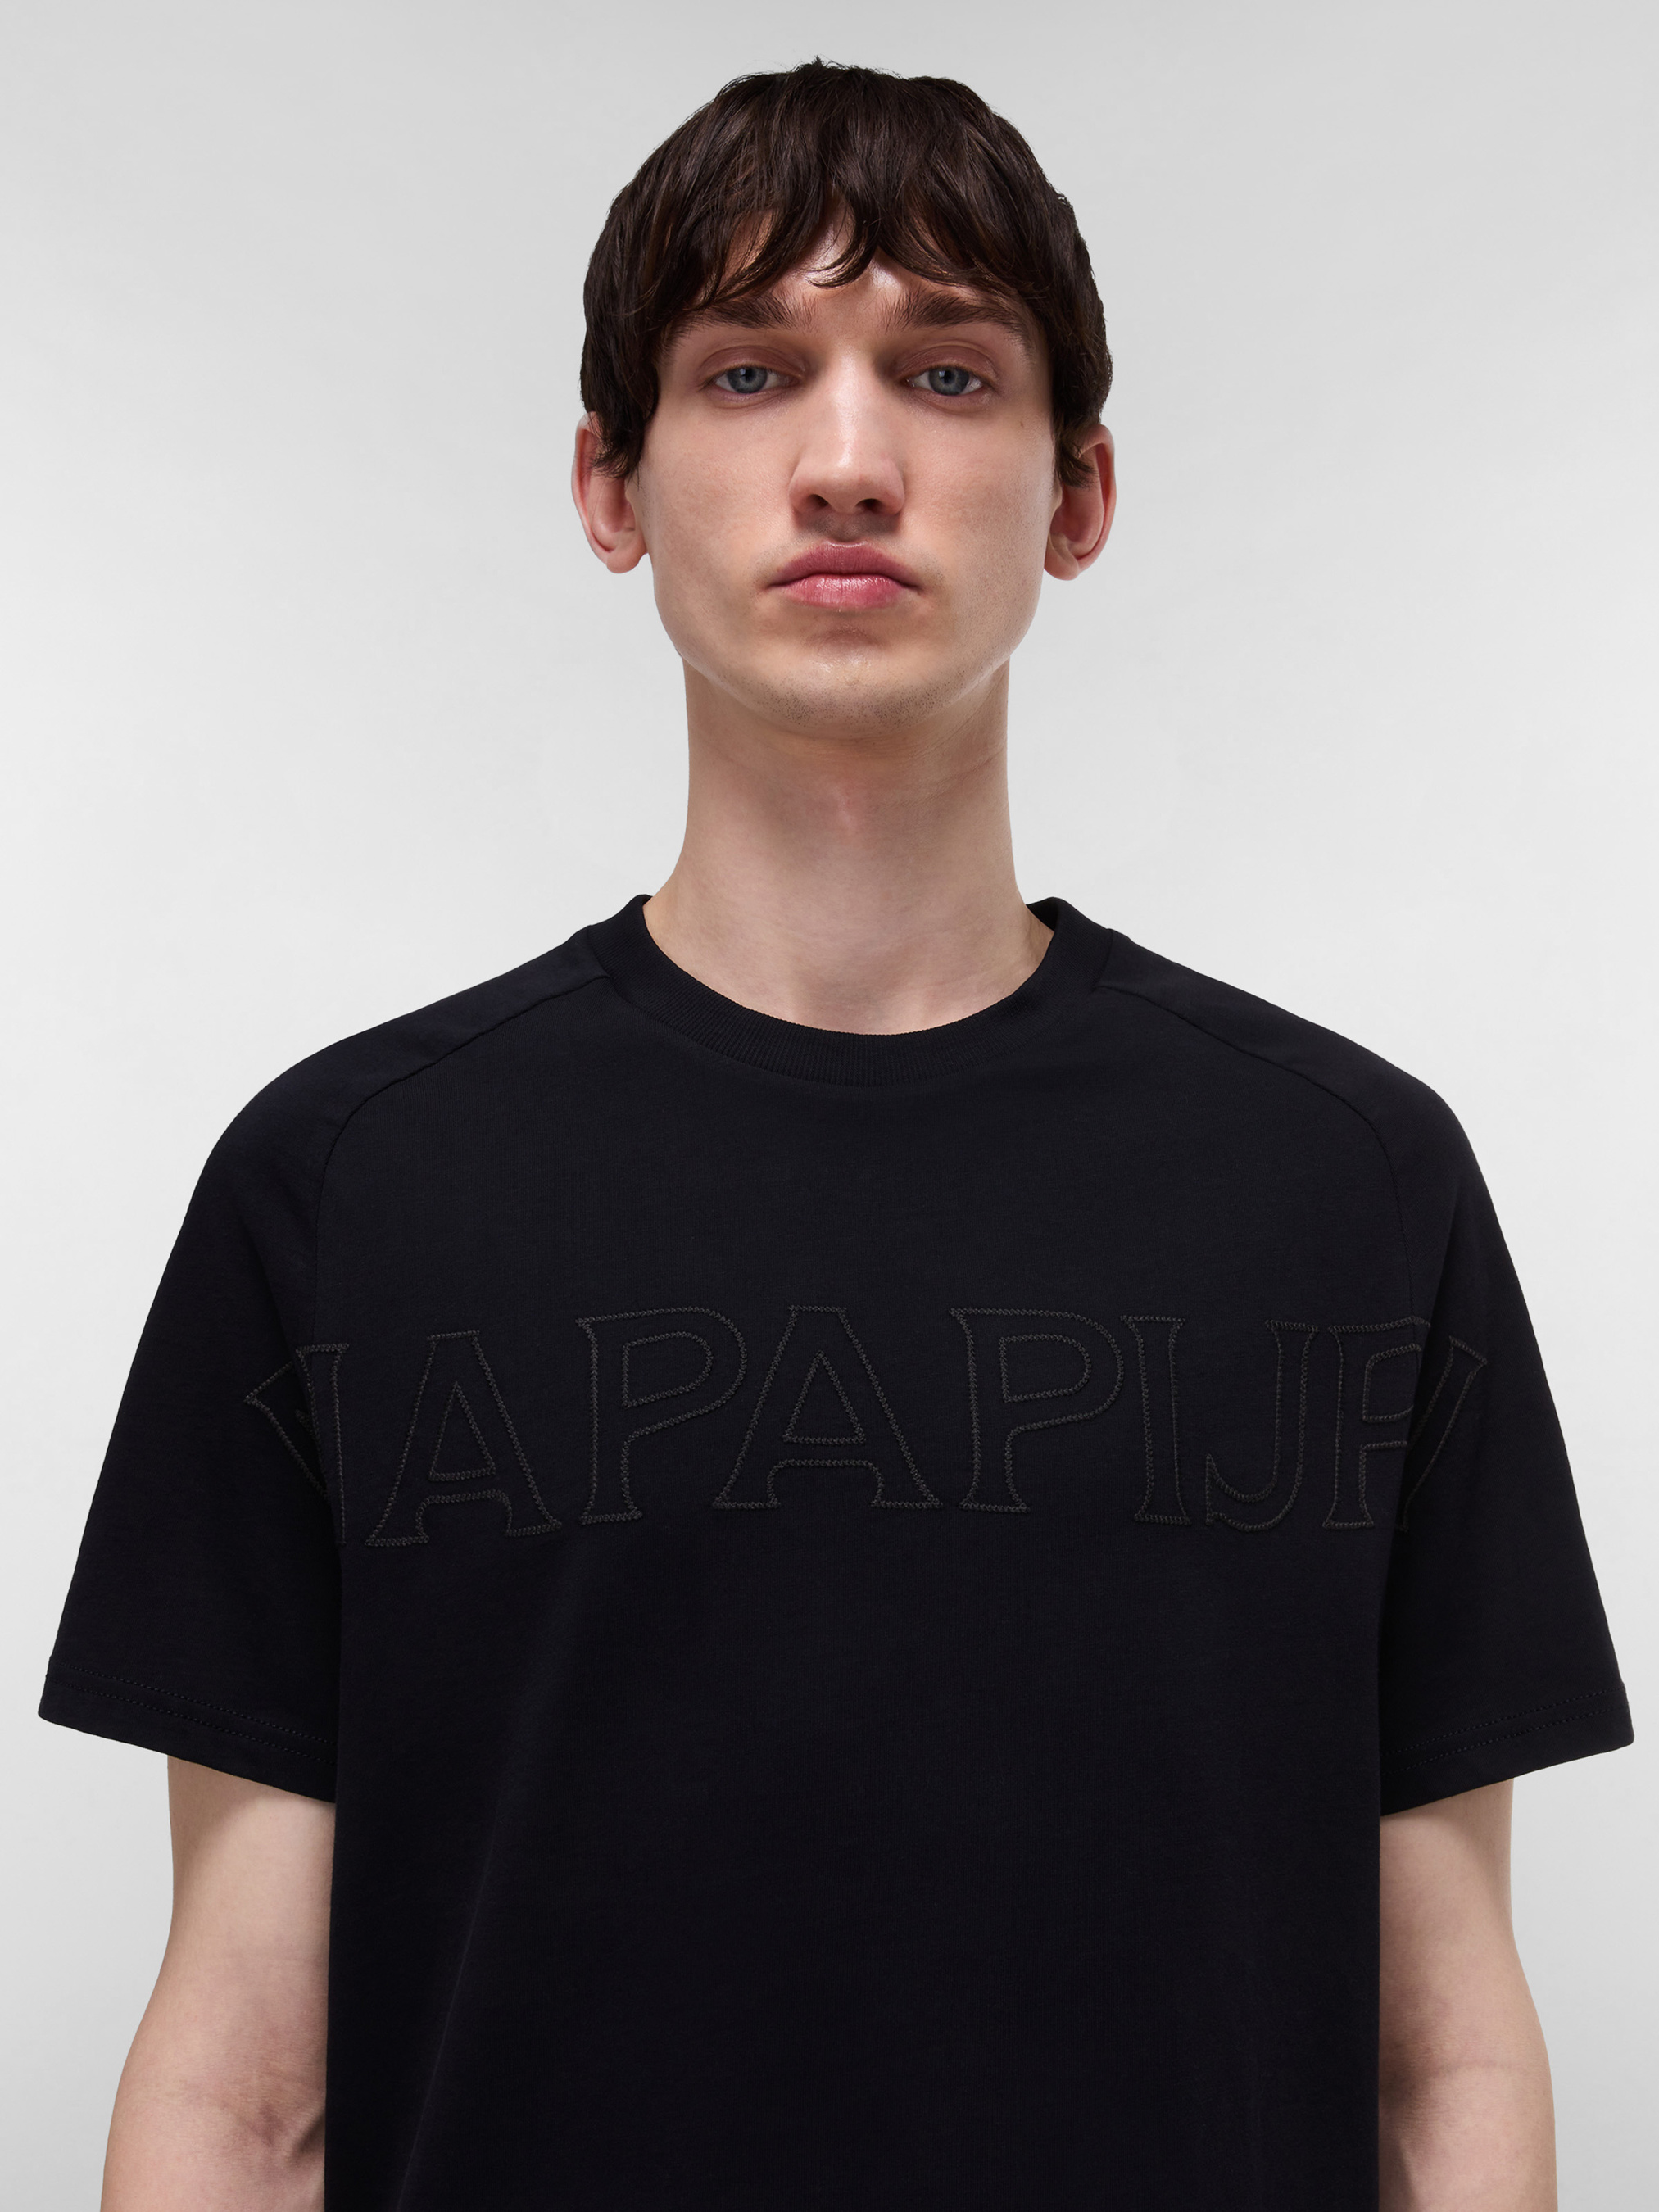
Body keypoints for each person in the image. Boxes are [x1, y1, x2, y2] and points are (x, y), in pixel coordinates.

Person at [43, 60, 1630, 2212]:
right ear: (610, 483)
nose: (851, 461)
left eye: (948, 372)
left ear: (1078, 493)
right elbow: (243, 2099)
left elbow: (1445, 2071)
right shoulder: (341, 1190)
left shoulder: (1350, 1186)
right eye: (749, 370)